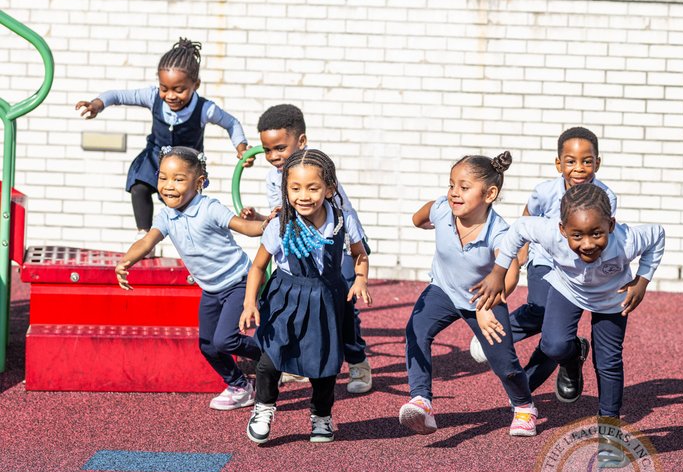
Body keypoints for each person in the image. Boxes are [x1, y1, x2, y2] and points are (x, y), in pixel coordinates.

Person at [472, 183, 665, 422]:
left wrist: (642, 280)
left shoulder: (626, 241)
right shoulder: (551, 234)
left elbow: (657, 235)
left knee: (608, 361)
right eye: (577, 235)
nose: (588, 244)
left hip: (611, 298)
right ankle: (573, 357)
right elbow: (519, 228)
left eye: (597, 234)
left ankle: (609, 421)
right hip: (568, 289)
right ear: (563, 230)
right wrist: (498, 271)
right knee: (554, 346)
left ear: (611, 225)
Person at [469, 127, 617, 407]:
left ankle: (558, 364)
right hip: (544, 261)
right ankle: (499, 334)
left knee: (555, 335)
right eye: (571, 161)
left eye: (587, 161)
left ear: (597, 163)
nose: (579, 168)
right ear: (559, 164)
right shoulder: (545, 192)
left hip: (578, 270)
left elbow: (605, 235)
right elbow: (528, 216)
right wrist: (521, 251)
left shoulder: (606, 196)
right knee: (539, 309)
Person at [399, 152, 539, 438]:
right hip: (443, 290)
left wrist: (487, 305)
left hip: (482, 298)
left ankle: (524, 406)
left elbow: (511, 274)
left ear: (489, 194)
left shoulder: (499, 231)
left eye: (464, 187)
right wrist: (429, 220)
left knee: (504, 363)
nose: (454, 193)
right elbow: (419, 217)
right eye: (451, 185)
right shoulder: (442, 209)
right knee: (416, 330)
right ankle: (421, 400)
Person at [115, 147, 265, 410]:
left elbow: (244, 227)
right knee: (208, 346)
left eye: (178, 179)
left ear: (199, 182)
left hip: (238, 281)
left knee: (225, 340)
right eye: (163, 178)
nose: (168, 186)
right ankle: (240, 386)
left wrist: (267, 225)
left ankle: (273, 357)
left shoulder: (209, 208)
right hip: (211, 289)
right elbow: (147, 241)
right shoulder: (166, 215)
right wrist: (126, 261)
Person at [240, 149, 372, 445]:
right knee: (270, 359)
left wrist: (360, 278)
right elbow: (258, 266)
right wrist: (250, 302)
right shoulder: (280, 224)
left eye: (313, 188)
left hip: (327, 298)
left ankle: (322, 415)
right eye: (295, 188)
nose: (303, 196)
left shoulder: (342, 220)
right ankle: (264, 407)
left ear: (330, 188)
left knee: (324, 365)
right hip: (286, 296)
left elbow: (359, 254)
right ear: (285, 189)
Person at [76, 38, 249, 236]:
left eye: (179, 90)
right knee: (139, 188)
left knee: (182, 207)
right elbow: (117, 95)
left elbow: (231, 123)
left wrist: (241, 148)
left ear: (196, 84)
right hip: (156, 155)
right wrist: (97, 105)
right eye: (164, 89)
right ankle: (144, 234)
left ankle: (190, 237)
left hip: (187, 163)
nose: (170, 96)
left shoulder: (205, 109)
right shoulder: (152, 96)